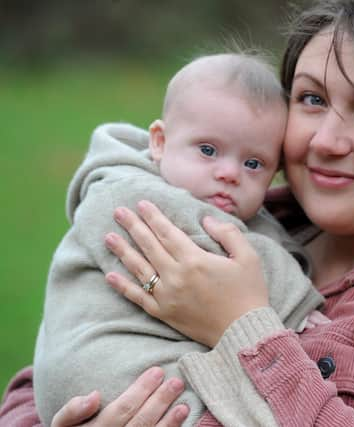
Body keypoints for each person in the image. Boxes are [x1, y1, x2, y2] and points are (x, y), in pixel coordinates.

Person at [1, 0, 354, 425]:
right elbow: (45, 370)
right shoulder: (204, 220)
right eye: (312, 99)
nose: (326, 139)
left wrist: (243, 327)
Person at [31, 53, 325, 426]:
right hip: (102, 368)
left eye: (254, 164)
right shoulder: (126, 194)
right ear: (159, 142)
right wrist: (295, 299)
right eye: (207, 150)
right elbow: (219, 261)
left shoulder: (241, 213)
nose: (229, 173)